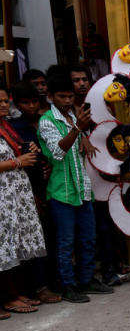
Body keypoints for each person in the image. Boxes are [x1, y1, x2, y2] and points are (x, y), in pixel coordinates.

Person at [38, 73, 112, 303]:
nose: (68, 101)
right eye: (62, 96)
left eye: (70, 96)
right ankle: (68, 285)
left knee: (88, 238)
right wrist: (78, 130)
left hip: (81, 187)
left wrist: (83, 134)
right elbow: (57, 153)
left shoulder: (73, 116)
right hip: (61, 190)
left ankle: (86, 279)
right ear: (50, 97)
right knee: (66, 242)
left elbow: (82, 142)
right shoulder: (47, 121)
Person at [9, 83, 60, 303]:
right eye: (25, 103)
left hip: (52, 184)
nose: (30, 106)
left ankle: (55, 281)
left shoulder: (46, 122)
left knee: (52, 236)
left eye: (34, 102)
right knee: (35, 240)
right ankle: (38, 286)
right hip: (27, 188)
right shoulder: (15, 128)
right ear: (17, 104)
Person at [0, 87, 47, 318]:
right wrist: (17, 162)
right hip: (3, 194)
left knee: (12, 244)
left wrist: (27, 150)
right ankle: (7, 298)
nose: (3, 105)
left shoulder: (6, 126)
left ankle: (13, 294)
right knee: (3, 246)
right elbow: (12, 160)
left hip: (13, 195)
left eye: (5, 101)